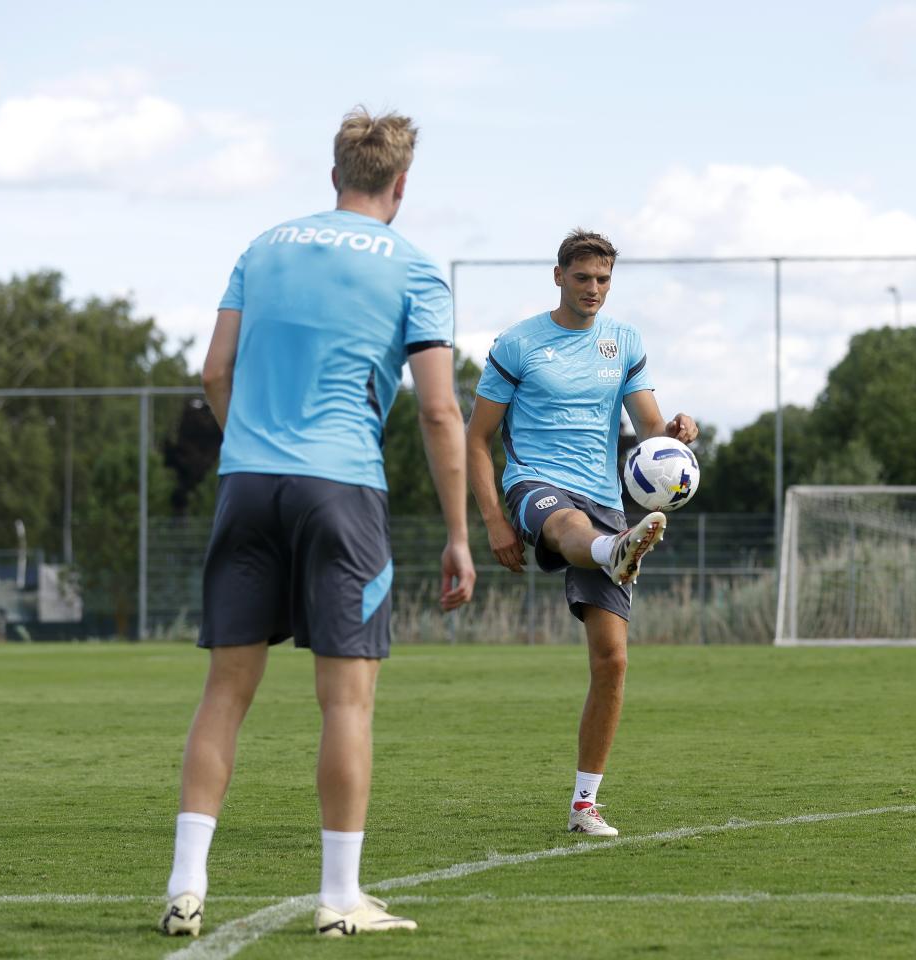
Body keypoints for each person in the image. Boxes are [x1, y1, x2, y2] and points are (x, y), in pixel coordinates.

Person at [159, 107, 475, 939]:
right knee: (346, 702)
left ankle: (185, 887)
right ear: (401, 185)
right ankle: (339, 899)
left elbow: (214, 371)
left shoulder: (263, 248)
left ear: (335, 174)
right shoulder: (415, 268)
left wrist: (251, 443)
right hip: (341, 488)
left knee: (225, 691)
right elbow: (439, 412)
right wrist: (458, 534)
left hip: (246, 483)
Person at [466, 229, 697, 838]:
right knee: (569, 526)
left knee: (612, 660)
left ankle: (584, 805)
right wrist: (493, 521)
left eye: (603, 279)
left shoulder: (624, 341)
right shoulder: (517, 344)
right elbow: (475, 439)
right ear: (558, 276)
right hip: (535, 484)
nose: (593, 289)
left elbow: (649, 427)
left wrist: (675, 431)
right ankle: (611, 551)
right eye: (582, 278)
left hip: (605, 498)